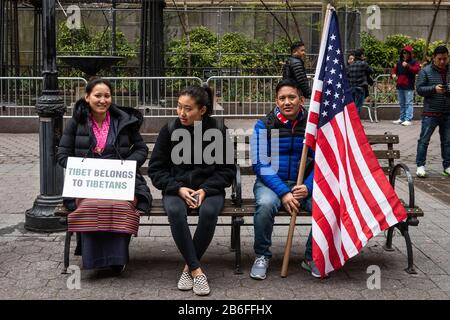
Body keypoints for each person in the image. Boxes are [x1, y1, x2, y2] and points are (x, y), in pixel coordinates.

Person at [57, 78, 152, 273]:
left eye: (107, 96)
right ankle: (94, 259)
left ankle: (118, 259)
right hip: (88, 182)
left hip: (120, 179)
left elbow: (141, 148)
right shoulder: (77, 122)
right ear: (87, 97)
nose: (102, 100)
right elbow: (62, 155)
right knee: (92, 206)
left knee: (120, 206)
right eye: (97, 95)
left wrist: (126, 165)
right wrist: (83, 167)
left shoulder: (124, 121)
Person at [148, 85, 236, 296]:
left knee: (208, 212)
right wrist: (178, 189)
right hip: (176, 190)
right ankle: (197, 271)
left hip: (210, 190)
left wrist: (206, 189)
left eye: (188, 109)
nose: (181, 113)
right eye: (179, 107)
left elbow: (227, 170)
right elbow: (156, 169)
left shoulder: (218, 130)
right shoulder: (169, 130)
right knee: (176, 212)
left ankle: (188, 268)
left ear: (202, 110)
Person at [249, 79, 319, 280]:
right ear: (276, 101)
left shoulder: (313, 125)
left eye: (292, 97)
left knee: (326, 206)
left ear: (302, 99)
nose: (287, 102)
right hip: (270, 183)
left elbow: (323, 162)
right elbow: (260, 164)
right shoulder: (264, 124)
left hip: (302, 184)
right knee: (264, 205)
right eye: (282, 98)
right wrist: (284, 192)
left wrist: (307, 186)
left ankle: (311, 256)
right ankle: (262, 255)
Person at [415, 45, 450, 178]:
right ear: (434, 58)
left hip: (447, 112)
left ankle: (447, 166)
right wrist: (434, 89)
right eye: (440, 59)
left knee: (447, 141)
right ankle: (420, 165)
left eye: (445, 59)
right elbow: (419, 89)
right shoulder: (425, 71)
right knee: (424, 140)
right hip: (430, 112)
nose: (442, 62)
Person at [391, 45, 421, 126]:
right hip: (400, 85)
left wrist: (408, 66)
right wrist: (393, 74)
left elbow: (417, 70)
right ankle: (402, 118)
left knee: (408, 102)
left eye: (407, 53)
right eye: (404, 53)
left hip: (408, 86)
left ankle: (408, 119)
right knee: (402, 103)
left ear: (410, 54)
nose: (405, 54)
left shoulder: (414, 62)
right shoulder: (399, 62)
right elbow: (394, 70)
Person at [347, 48, 374, 114]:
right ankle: (355, 123)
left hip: (352, 88)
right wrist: (364, 61)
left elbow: (348, 75)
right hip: (360, 88)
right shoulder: (363, 64)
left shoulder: (351, 65)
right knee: (358, 107)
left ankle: (352, 123)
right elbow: (371, 71)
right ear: (361, 55)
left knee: (353, 107)